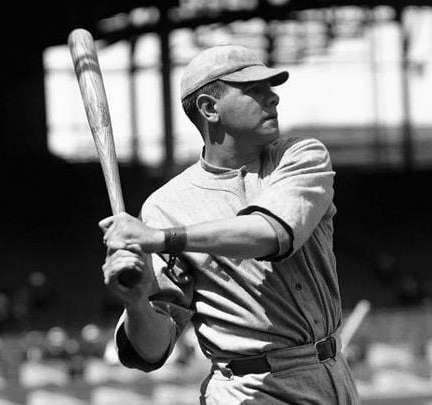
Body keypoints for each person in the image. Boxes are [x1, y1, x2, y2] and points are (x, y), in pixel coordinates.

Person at [99, 44, 359, 404]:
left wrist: (159, 239)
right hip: (248, 390)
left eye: (271, 88)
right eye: (254, 90)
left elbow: (271, 234)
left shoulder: (300, 155)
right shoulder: (165, 207)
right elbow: (150, 352)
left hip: (332, 377)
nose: (274, 98)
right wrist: (136, 301)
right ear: (209, 108)